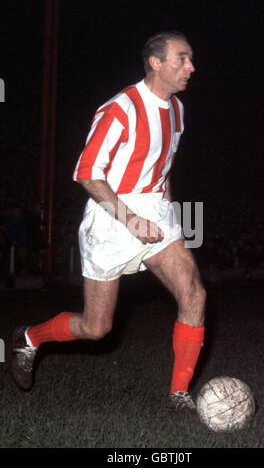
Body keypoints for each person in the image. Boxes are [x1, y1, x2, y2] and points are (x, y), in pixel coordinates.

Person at [11, 31, 206, 412]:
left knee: (194, 294)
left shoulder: (178, 110)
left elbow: (164, 164)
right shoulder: (121, 108)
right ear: (155, 62)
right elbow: (87, 173)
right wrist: (130, 218)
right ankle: (29, 337)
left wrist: (164, 200)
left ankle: (178, 395)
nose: (191, 67)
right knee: (97, 328)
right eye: (182, 58)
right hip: (111, 217)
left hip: (155, 211)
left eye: (191, 59)